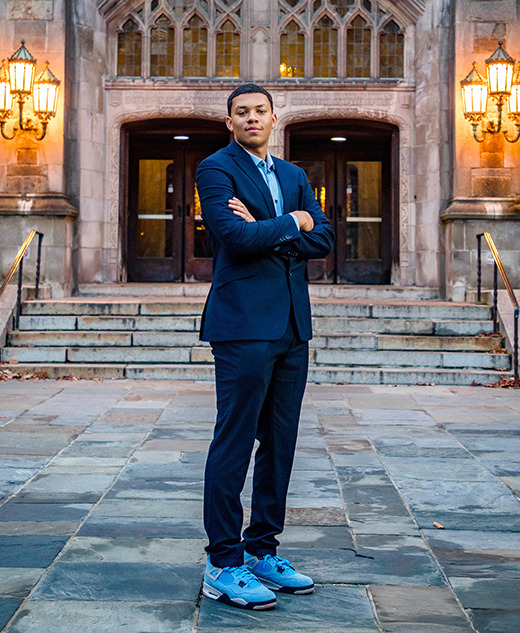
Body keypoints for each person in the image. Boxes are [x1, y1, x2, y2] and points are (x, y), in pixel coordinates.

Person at [196, 84, 334, 611]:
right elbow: (232, 238)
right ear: (229, 121)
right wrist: (291, 223)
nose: (251, 119)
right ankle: (223, 562)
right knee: (233, 441)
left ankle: (263, 551)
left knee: (280, 442)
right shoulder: (216, 168)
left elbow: (322, 239)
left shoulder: (295, 176)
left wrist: (271, 228)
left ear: (275, 118)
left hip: (293, 326)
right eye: (241, 113)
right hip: (242, 325)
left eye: (259, 111)